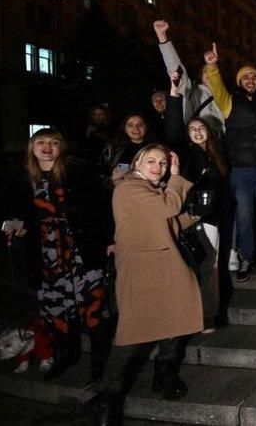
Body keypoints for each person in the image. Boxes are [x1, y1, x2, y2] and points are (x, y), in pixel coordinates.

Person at [5, 129, 114, 383]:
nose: (47, 147)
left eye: (53, 143)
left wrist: (111, 240)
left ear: (61, 147)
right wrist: (11, 228)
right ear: (32, 147)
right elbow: (8, 215)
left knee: (93, 311)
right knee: (56, 314)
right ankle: (66, 355)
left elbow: (103, 207)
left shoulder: (79, 171)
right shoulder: (21, 178)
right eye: (41, 142)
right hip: (44, 255)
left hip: (82, 252)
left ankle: (98, 364)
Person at [102, 145, 202, 411]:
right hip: (142, 269)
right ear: (137, 163)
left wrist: (197, 213)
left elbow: (170, 223)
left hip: (165, 265)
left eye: (164, 163)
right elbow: (167, 208)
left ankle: (165, 375)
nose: (158, 167)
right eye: (151, 161)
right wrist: (178, 176)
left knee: (175, 322)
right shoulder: (128, 187)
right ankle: (107, 397)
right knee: (133, 333)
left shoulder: (150, 188)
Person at [206, 40, 256, 281]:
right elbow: (218, 87)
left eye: (254, 77)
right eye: (246, 78)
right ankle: (246, 257)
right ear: (239, 82)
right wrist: (212, 67)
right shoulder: (229, 102)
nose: (250, 80)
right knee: (243, 215)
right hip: (240, 171)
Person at [165, 72, 229, 334]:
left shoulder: (217, 156)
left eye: (201, 128)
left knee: (209, 269)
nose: (197, 132)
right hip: (188, 218)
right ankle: (186, 315)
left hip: (211, 221)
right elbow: (171, 131)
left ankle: (207, 316)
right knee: (187, 269)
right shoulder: (184, 154)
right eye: (192, 129)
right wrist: (174, 96)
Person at [154, 20, 225, 136]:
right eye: (205, 71)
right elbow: (176, 69)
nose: (209, 74)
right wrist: (162, 36)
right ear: (200, 76)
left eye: (212, 71)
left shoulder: (227, 96)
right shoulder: (192, 92)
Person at [98, 114, 151, 188]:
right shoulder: (114, 147)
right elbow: (102, 169)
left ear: (146, 127)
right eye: (130, 125)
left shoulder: (155, 148)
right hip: (118, 190)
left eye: (140, 125)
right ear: (124, 128)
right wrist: (112, 183)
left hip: (145, 190)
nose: (135, 128)